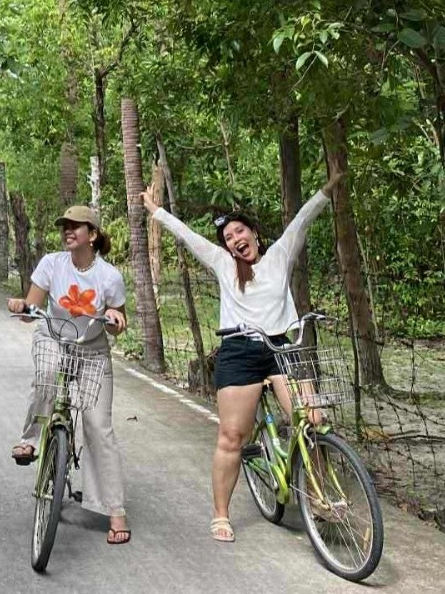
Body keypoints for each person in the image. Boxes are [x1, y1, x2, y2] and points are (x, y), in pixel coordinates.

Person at [143, 172, 343, 543]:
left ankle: (317, 496)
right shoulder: (223, 264)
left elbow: (302, 220)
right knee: (232, 436)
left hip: (282, 347)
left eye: (240, 232)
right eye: (228, 237)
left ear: (254, 233)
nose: (235, 240)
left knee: (312, 420)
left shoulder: (280, 256)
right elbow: (189, 238)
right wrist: (157, 212)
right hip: (239, 351)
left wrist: (328, 190)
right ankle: (221, 513)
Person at [6, 205, 132, 546]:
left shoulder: (109, 276)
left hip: (92, 349)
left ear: (92, 235)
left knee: (97, 426)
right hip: (55, 338)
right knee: (46, 377)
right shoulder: (51, 264)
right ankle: (30, 441)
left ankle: (114, 510)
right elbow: (32, 311)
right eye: (65, 226)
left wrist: (115, 319)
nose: (68, 231)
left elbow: (120, 324)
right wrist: (22, 307)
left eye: (76, 227)